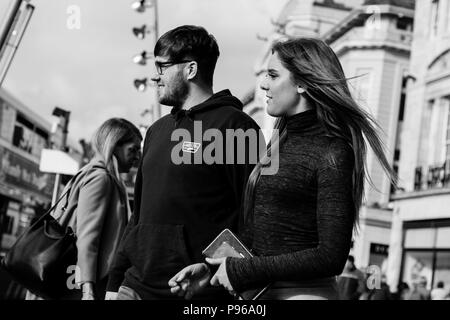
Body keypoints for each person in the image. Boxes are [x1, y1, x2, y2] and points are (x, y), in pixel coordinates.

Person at [169, 37, 396, 300]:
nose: (263, 84)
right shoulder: (278, 144)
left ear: (302, 82)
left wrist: (243, 270)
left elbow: (331, 256)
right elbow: (264, 240)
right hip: (260, 295)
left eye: (273, 75)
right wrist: (212, 271)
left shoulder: (333, 151)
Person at [106, 25, 261, 300]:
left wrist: (214, 276)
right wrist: (113, 283)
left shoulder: (238, 128)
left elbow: (256, 218)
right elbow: (138, 216)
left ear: (190, 69)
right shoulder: (155, 130)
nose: (156, 76)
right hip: (134, 287)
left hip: (191, 292)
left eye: (162, 67)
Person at [26, 118, 142, 300]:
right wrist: (87, 290)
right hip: (74, 285)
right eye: (133, 149)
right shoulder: (100, 179)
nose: (137, 156)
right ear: (114, 145)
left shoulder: (89, 173)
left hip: (66, 280)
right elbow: (87, 237)